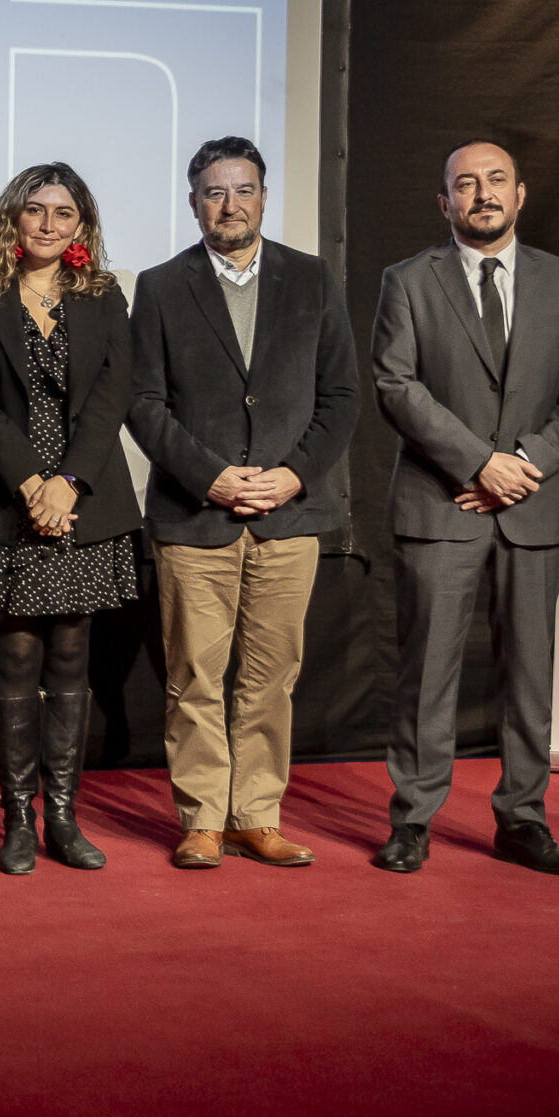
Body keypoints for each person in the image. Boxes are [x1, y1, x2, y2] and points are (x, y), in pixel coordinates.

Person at [373, 141, 559, 876]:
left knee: (530, 673)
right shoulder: (408, 281)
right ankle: (413, 821)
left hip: (534, 506)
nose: (483, 193)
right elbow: (395, 384)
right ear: (444, 202)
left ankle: (524, 819)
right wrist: (479, 462)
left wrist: (524, 465)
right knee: (426, 674)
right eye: (466, 183)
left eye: (496, 180)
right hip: (440, 502)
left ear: (521, 194)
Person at [128, 137, 360, 871]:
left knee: (270, 677)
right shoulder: (161, 285)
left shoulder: (312, 278)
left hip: (290, 515)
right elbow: (144, 402)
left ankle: (256, 815)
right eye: (214, 192)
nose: (230, 205)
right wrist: (212, 477)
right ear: (193, 202)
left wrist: (292, 476)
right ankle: (202, 819)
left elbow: (341, 395)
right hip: (196, 516)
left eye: (243, 189)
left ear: (264, 196)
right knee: (194, 679)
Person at [0, 163, 141, 874]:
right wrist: (32, 483)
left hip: (83, 501)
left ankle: (62, 815)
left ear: (81, 225)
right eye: (36, 210)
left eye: (65, 213)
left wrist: (67, 484)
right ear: (14, 218)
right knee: (16, 657)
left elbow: (112, 395)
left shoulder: (103, 293)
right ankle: (17, 819)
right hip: (9, 501)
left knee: (70, 656)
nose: (49, 224)